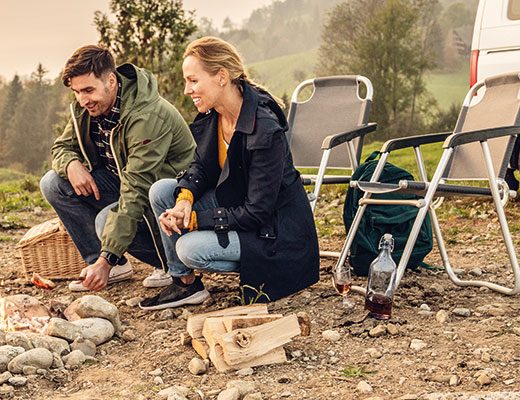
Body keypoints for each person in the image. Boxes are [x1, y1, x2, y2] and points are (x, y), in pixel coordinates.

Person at [141, 37, 320, 310]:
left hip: (274, 231)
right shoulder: (215, 114)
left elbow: (258, 211)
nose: (187, 90)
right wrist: (184, 201)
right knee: (162, 191)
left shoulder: (265, 129)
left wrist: (195, 220)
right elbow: (200, 165)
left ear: (221, 76)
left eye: (193, 80)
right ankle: (184, 284)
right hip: (235, 201)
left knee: (188, 248)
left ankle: (258, 269)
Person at [41, 44, 197, 292]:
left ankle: (166, 264)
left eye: (88, 90)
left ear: (111, 81)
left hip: (166, 200)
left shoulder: (147, 116)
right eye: (77, 92)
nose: (83, 99)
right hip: (123, 183)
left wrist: (107, 255)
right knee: (53, 183)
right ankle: (110, 267)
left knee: (107, 219)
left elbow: (136, 190)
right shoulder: (88, 107)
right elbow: (61, 147)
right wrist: (70, 164)